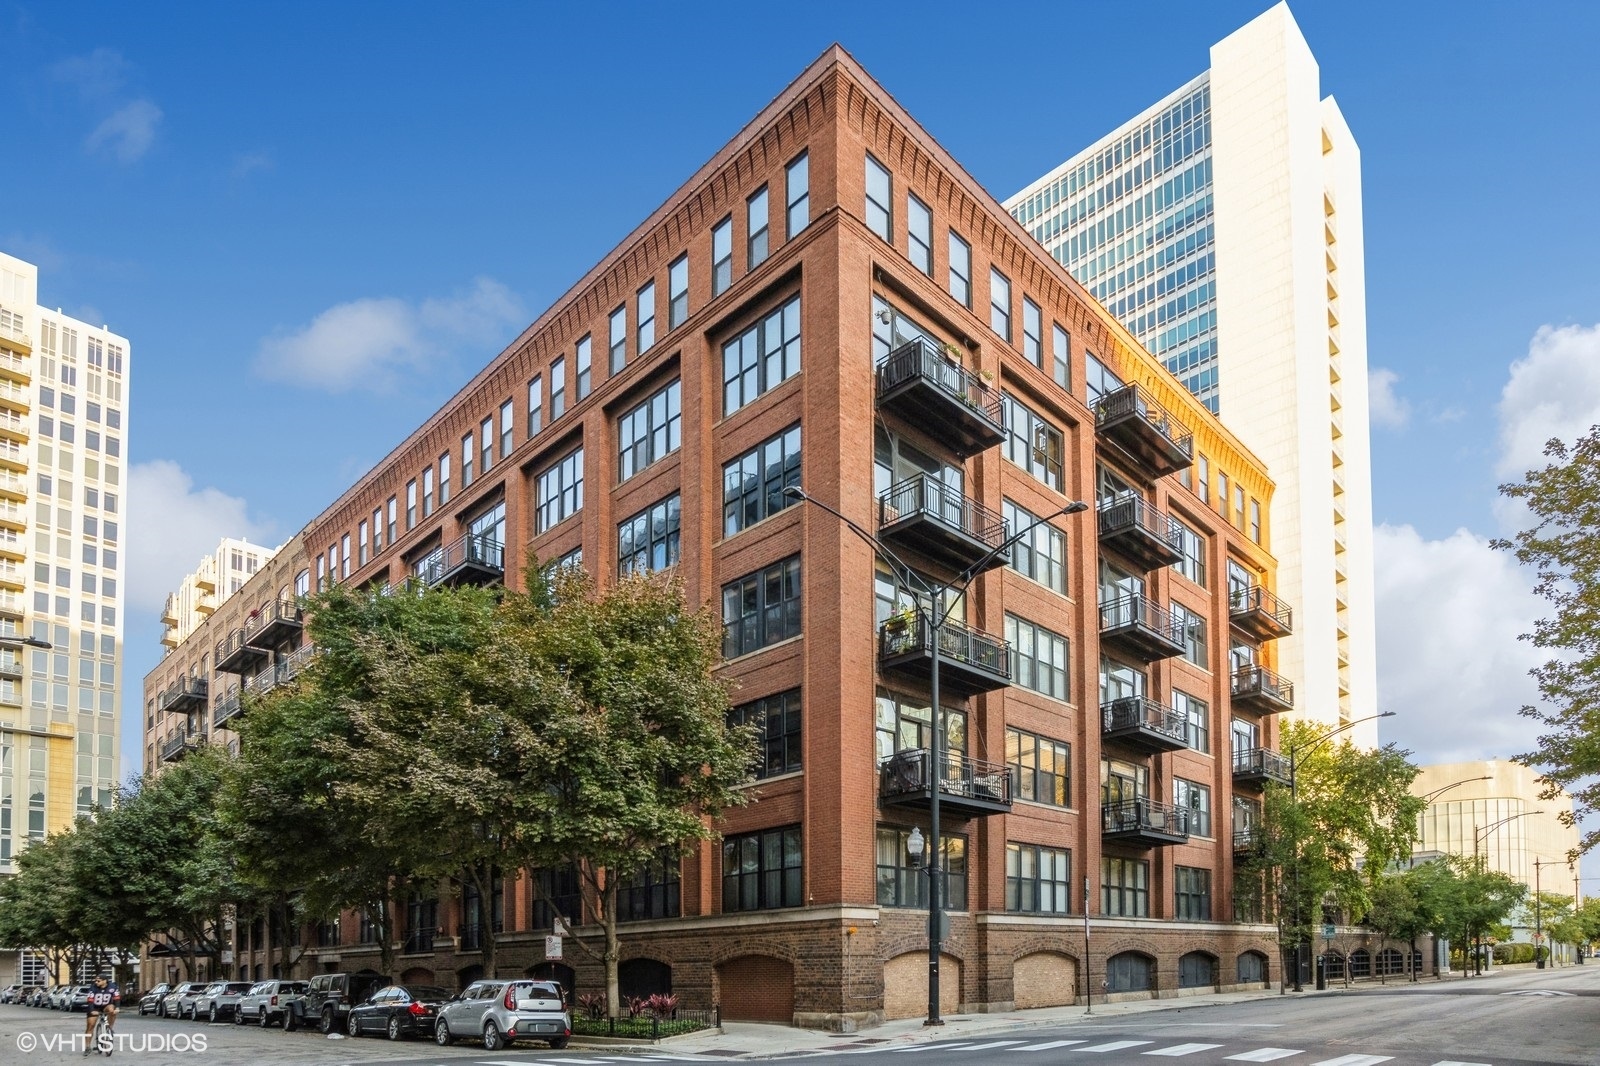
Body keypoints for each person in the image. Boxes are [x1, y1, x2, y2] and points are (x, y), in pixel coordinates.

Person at [82, 974, 119, 1055]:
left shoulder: (113, 987)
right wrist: (92, 1011)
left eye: (98, 981)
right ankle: (88, 1047)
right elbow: (90, 1000)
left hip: (106, 1006)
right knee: (90, 1025)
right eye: (95, 981)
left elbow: (116, 998)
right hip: (94, 1007)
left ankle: (110, 1028)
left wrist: (117, 1008)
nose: (96, 982)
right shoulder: (93, 987)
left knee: (112, 1010)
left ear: (105, 981)